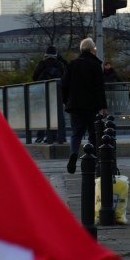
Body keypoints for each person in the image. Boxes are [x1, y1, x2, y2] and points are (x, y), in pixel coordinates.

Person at [62, 38, 108, 174]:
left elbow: (64, 86)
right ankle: (90, 159)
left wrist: (67, 101)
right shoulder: (95, 65)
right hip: (91, 106)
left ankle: (74, 153)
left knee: (76, 133)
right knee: (93, 133)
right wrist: (103, 106)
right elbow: (99, 88)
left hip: (75, 105)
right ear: (92, 50)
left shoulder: (72, 64)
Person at [32, 45, 67, 143]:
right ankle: (61, 135)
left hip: (43, 93)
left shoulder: (42, 63)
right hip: (57, 93)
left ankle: (41, 136)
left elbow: (34, 77)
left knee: (43, 114)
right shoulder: (59, 64)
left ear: (46, 54)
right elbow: (64, 77)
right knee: (59, 115)